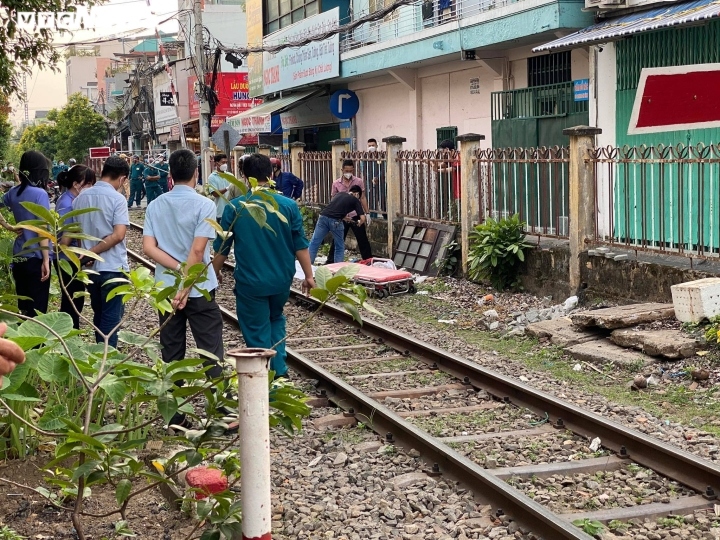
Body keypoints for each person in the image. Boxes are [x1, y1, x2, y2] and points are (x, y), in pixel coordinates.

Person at [212, 154, 315, 379]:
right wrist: (309, 276)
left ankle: (264, 379)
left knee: (257, 328)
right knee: (276, 318)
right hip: (282, 280)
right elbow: (300, 245)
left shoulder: (236, 208)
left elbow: (222, 247)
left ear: (245, 178)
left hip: (251, 282)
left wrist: (215, 273)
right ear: (271, 174)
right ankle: (279, 372)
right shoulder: (288, 206)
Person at [143, 149, 224, 428]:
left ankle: (174, 416)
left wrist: (177, 275)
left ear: (170, 175)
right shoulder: (205, 205)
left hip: (166, 289)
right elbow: (198, 250)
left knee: (171, 350)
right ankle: (220, 412)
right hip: (199, 288)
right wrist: (187, 284)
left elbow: (148, 248)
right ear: (195, 173)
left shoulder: (154, 205)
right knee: (210, 349)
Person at [73, 156, 130, 348]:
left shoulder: (80, 198)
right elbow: (118, 235)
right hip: (113, 268)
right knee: (111, 320)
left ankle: (99, 354)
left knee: (99, 314)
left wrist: (86, 254)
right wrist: (93, 252)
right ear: (122, 179)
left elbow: (79, 232)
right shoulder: (118, 199)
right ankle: (108, 365)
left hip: (90, 270)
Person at [0, 150, 52, 316]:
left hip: (19, 255)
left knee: (23, 305)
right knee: (38, 308)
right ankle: (37, 342)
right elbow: (42, 229)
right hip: (36, 257)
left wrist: (8, 226)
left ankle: (23, 340)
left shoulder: (14, 192)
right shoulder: (40, 194)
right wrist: (46, 259)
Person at [56, 164, 94, 329]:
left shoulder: (70, 199)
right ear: (76, 184)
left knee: (73, 300)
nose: (90, 188)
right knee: (72, 301)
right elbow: (66, 236)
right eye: (88, 184)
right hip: (68, 258)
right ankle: (69, 333)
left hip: (71, 257)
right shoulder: (68, 203)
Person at [327, 159, 373, 261]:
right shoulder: (336, 184)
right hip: (342, 216)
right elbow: (334, 200)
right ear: (342, 170)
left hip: (356, 214)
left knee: (362, 239)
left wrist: (367, 213)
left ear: (353, 170)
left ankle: (369, 260)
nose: (348, 173)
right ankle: (330, 260)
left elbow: (363, 197)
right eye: (346, 171)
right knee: (338, 239)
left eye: (350, 171)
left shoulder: (358, 181)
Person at [308, 186, 365, 264]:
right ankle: (338, 268)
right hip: (336, 222)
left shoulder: (339, 194)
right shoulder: (355, 200)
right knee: (339, 246)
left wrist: (345, 218)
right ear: (357, 194)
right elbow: (362, 218)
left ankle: (308, 265)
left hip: (323, 217)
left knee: (315, 242)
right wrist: (359, 222)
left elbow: (335, 208)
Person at [361, 138, 386, 218]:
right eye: (369, 146)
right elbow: (363, 170)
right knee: (371, 201)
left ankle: (386, 217)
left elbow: (384, 168)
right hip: (369, 182)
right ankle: (372, 217)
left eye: (373, 145)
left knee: (382, 200)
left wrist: (377, 178)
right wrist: (370, 178)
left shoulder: (381, 155)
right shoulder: (364, 156)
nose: (371, 147)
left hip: (380, 182)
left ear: (376, 146)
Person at [207, 154, 230, 221]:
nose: (225, 164)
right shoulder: (212, 177)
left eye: (226, 162)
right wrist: (227, 188)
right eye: (223, 162)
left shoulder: (230, 176)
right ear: (217, 164)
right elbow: (215, 194)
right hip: (220, 212)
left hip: (231, 211)